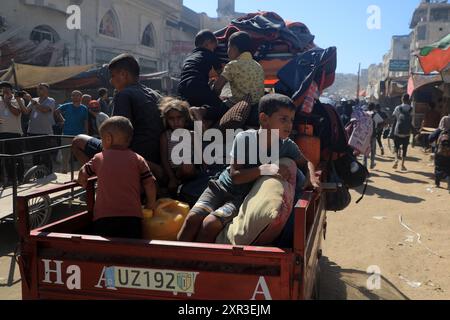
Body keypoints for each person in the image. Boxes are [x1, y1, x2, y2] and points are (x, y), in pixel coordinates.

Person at [177, 94, 321, 244]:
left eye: (291, 120)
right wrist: (266, 169)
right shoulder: (244, 138)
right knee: (192, 219)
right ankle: (174, 263)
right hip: (219, 187)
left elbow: (306, 162)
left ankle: (198, 264)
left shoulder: (286, 145)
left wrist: (312, 178)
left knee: (210, 224)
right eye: (283, 119)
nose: (289, 125)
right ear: (264, 119)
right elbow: (235, 176)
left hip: (240, 197)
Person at [71, 54, 164, 181]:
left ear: (124, 74)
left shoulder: (123, 94)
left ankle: (101, 180)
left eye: (113, 76)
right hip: (155, 155)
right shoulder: (155, 95)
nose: (111, 81)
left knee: (77, 140)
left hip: (132, 155)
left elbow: (117, 136)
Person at [77, 116, 157, 239]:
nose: (101, 142)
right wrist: (150, 204)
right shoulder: (138, 159)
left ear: (108, 138)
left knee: (106, 251)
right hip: (132, 217)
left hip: (104, 217)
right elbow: (150, 182)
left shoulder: (99, 158)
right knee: (130, 249)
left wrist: (82, 182)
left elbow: (83, 172)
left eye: (102, 139)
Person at [191, 31, 266, 125]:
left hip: (239, 106)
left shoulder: (232, 65)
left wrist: (214, 94)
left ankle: (200, 113)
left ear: (233, 48)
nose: (227, 51)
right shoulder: (258, 65)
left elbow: (217, 89)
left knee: (215, 107)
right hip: (256, 108)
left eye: (228, 47)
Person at [178, 30, 225, 125]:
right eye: (214, 47)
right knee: (221, 108)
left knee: (189, 114)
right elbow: (223, 74)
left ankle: (199, 122)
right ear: (207, 43)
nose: (214, 50)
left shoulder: (189, 57)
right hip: (197, 85)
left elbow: (192, 73)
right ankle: (201, 111)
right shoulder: (210, 54)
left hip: (182, 88)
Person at [159, 97, 196, 195]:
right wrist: (171, 177)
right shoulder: (165, 136)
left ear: (185, 118)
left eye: (179, 117)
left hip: (190, 169)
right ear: (167, 120)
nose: (176, 122)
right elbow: (164, 159)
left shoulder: (191, 134)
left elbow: (200, 154)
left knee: (187, 166)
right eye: (171, 119)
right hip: (173, 171)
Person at [24, 83, 56, 172]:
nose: (38, 90)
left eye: (41, 88)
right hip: (32, 131)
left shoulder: (51, 100)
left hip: (45, 132)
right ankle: (37, 174)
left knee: (46, 155)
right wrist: (19, 99)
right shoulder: (34, 100)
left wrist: (31, 100)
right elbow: (26, 111)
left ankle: (48, 173)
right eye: (38, 88)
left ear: (47, 91)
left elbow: (44, 110)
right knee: (35, 155)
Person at [0, 81, 28, 184]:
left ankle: (20, 178)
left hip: (15, 133)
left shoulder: (18, 99)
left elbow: (17, 113)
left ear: (11, 90)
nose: (4, 91)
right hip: (2, 133)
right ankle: (10, 180)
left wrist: (8, 103)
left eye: (6, 89)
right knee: (6, 159)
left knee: (17, 158)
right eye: (2, 89)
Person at [54, 90, 88, 173]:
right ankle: (64, 172)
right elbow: (56, 111)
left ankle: (82, 173)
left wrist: (86, 133)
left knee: (81, 155)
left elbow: (86, 121)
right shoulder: (67, 105)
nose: (75, 97)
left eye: (77, 95)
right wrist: (62, 120)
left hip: (79, 135)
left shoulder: (84, 108)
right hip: (66, 134)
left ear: (81, 97)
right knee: (65, 156)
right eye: (73, 95)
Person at [392, 94, 413, 171]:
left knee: (396, 147)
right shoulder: (411, 108)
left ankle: (396, 159)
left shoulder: (398, 108)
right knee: (405, 148)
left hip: (398, 131)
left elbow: (394, 117)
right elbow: (411, 120)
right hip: (407, 132)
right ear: (408, 100)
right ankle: (402, 165)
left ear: (402, 99)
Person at [429, 116, 450, 189]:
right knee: (448, 168)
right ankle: (448, 179)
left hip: (440, 153)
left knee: (438, 167)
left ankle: (437, 183)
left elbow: (430, 138)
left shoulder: (440, 130)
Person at [363, 103, 383, 170]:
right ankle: (372, 163)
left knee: (365, 149)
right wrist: (377, 129)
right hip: (373, 134)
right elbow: (381, 122)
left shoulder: (364, 114)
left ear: (368, 107)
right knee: (372, 149)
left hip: (365, 135)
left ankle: (364, 165)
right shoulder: (375, 114)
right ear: (374, 108)